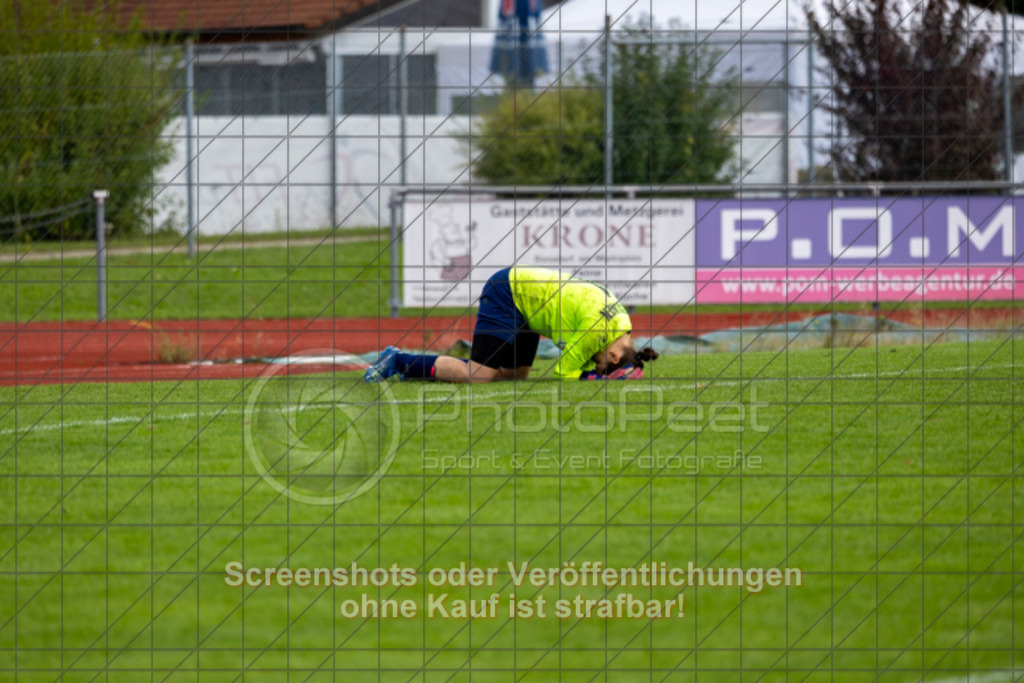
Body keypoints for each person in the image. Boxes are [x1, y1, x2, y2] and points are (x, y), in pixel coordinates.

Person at [364, 266, 658, 383]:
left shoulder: (621, 325)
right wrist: (596, 379)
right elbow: (566, 374)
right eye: (599, 363)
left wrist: (604, 374)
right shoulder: (597, 331)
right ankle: (398, 360)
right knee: (479, 375)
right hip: (509, 293)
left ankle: (419, 370)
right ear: (614, 356)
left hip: (530, 308)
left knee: (514, 377)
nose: (593, 363)